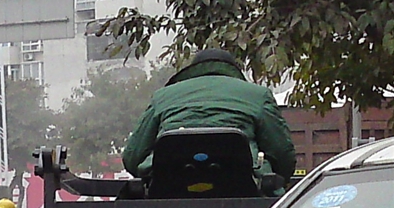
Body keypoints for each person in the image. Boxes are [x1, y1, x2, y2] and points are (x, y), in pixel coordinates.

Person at [122, 49, 296, 180]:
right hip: (243, 187)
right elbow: (282, 155)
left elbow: (132, 158)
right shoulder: (258, 95)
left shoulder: (163, 96)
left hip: (167, 188)